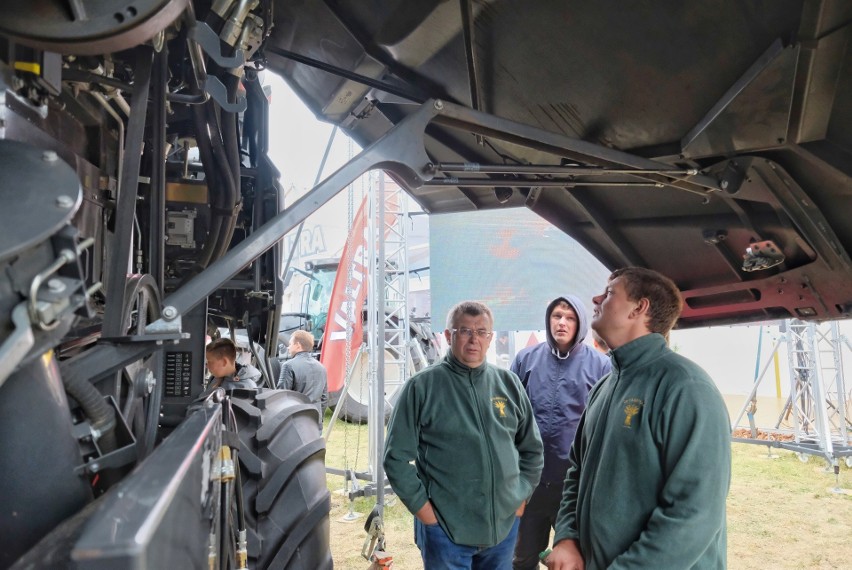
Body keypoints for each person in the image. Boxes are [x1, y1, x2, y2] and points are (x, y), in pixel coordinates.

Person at [544, 268, 731, 570]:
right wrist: (567, 538)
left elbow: (693, 513)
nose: (596, 298)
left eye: (609, 293)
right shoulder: (604, 387)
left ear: (639, 308)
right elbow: (576, 470)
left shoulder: (686, 387)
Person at [384, 300, 544, 569]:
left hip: (502, 531)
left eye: (481, 332)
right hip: (446, 533)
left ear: (490, 338)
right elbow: (396, 459)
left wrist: (520, 498)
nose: (474, 340)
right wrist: (426, 514)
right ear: (448, 335)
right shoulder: (422, 387)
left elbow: (532, 449)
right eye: (465, 331)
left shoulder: (508, 384)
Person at [510, 296, 611, 570]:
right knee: (522, 556)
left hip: (573, 485)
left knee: (573, 560)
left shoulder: (601, 366)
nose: (562, 323)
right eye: (556, 316)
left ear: (580, 323)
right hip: (530, 483)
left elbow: (604, 426)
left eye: (570, 317)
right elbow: (510, 416)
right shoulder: (525, 359)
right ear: (548, 320)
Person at [277, 329, 328, 430]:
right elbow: (325, 398)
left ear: (298, 345)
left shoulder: (288, 366)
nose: (288, 347)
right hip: (315, 421)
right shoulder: (321, 367)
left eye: (290, 344)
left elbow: (281, 396)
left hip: (296, 422)